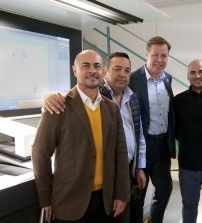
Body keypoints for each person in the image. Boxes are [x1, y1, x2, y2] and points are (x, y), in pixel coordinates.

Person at [44, 52, 147, 223]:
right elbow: (41, 154)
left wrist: (134, 174)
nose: (92, 70)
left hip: (111, 189)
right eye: (86, 65)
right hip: (72, 197)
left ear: (102, 70)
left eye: (127, 70)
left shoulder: (123, 102)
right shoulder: (61, 105)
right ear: (75, 70)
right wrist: (45, 198)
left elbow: (129, 143)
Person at [129, 36, 176, 223]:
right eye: (155, 54)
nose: (159, 59)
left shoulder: (168, 79)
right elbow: (106, 88)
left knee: (165, 189)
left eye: (164, 55)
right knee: (138, 193)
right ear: (146, 54)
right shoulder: (133, 79)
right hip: (142, 145)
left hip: (162, 145)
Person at [173, 59, 202, 223]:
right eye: (193, 72)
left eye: (201, 71)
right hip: (188, 167)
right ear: (187, 76)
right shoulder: (178, 101)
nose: (197, 76)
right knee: (189, 206)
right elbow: (176, 131)